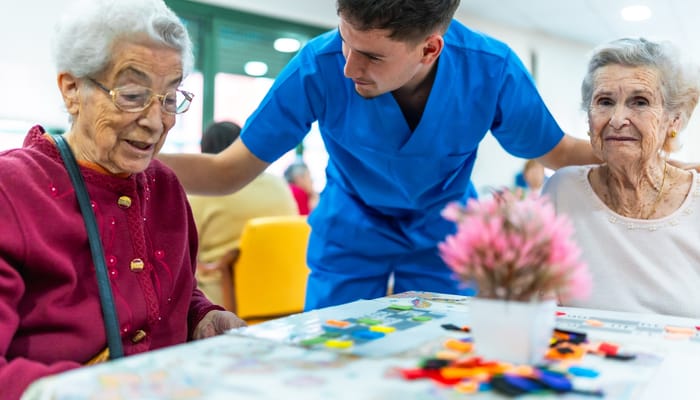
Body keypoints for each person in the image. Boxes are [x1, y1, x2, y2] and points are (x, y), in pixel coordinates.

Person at [158, 0, 600, 310]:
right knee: (331, 351)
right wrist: (118, 156)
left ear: (430, 48)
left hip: (442, 231)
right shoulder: (318, 64)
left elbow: (558, 150)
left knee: (442, 353)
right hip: (352, 226)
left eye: (371, 55)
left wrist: (637, 153)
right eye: (345, 41)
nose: (348, 66)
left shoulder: (491, 70)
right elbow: (226, 171)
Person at [0, 1, 246, 398]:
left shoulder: (164, 187)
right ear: (71, 89)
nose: (156, 121)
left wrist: (202, 316)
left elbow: (169, 293)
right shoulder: (12, 189)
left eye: (169, 98)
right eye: (132, 94)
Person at [542, 38, 700, 318]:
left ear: (673, 120)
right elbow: (536, 306)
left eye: (639, 102)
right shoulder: (561, 191)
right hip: (578, 357)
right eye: (605, 101)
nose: (617, 119)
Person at [189, 121, 298, 305]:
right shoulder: (279, 186)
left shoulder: (204, 192)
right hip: (287, 295)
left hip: (227, 300)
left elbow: (182, 250)